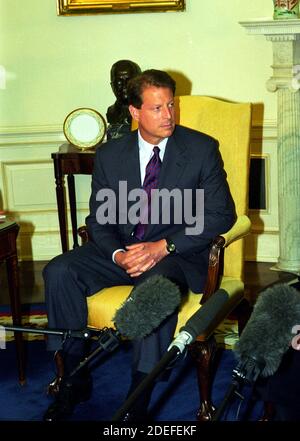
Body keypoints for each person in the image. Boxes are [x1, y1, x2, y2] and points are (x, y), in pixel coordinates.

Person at [43, 69, 236, 422]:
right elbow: (99, 219)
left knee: (154, 288)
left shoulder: (201, 149)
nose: (169, 116)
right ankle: (72, 377)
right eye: (157, 108)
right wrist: (118, 253)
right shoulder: (110, 154)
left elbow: (222, 214)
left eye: (171, 106)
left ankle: (138, 398)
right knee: (59, 270)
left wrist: (165, 246)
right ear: (134, 112)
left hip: (176, 255)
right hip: (122, 251)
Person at [106, 59, 141, 139]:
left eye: (129, 81)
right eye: (119, 82)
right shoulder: (111, 112)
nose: (124, 86)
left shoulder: (146, 113)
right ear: (112, 85)